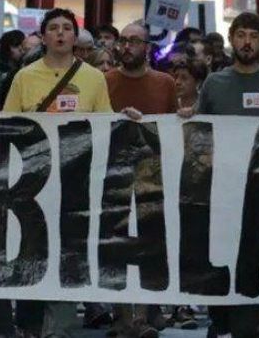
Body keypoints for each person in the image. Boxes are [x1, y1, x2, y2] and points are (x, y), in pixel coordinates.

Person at [0, 8, 115, 338]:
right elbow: (9, 126)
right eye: (53, 28)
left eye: (66, 28)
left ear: (75, 37)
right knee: (32, 252)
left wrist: (128, 119)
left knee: (67, 254)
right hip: (32, 184)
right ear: (43, 36)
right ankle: (31, 326)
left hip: (75, 183)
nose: (60, 33)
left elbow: (106, 126)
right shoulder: (24, 78)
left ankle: (59, 329)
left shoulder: (94, 78)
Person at [180, 12, 259, 338]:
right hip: (223, 192)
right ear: (231, 39)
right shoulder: (215, 84)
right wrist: (188, 117)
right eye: (241, 35)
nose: (247, 42)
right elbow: (200, 134)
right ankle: (220, 323)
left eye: (254, 36)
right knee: (223, 256)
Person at [104, 22, 177, 338]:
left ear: (147, 47)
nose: (127, 46)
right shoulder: (105, 81)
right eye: (123, 40)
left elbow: (173, 127)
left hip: (153, 174)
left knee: (150, 243)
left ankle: (143, 316)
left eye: (134, 40)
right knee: (115, 243)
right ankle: (121, 317)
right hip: (112, 173)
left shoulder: (165, 83)